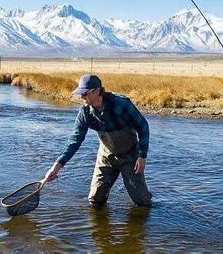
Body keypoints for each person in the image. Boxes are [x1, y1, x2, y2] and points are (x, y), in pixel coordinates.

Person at [44, 74, 152, 207]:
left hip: (131, 156)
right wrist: (56, 167)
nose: (82, 97)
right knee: (95, 200)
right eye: (80, 93)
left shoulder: (121, 104)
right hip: (106, 156)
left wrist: (142, 157)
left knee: (142, 202)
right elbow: (75, 140)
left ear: (97, 90)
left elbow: (143, 127)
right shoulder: (85, 113)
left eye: (85, 93)